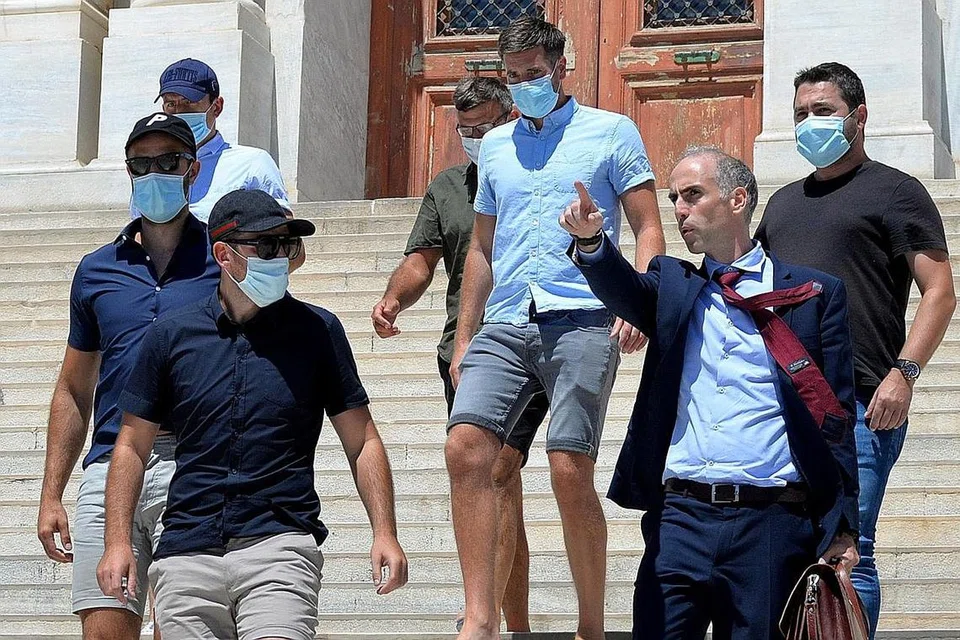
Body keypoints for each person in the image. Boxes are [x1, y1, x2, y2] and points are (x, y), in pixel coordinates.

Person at [564, 147, 860, 639]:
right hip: (681, 519)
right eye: (674, 198)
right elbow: (625, 292)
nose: (679, 210)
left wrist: (843, 525)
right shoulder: (674, 286)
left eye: (693, 195)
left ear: (738, 198)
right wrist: (593, 242)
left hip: (772, 524)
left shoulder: (813, 293)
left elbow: (835, 417)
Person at [96, 189, 408, 639]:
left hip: (279, 548)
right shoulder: (170, 335)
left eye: (288, 245)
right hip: (186, 553)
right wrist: (117, 542)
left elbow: (362, 441)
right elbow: (130, 444)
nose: (279, 257)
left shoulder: (318, 331)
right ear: (223, 254)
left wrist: (385, 531)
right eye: (265, 246)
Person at [444, 16, 664, 640]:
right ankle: (480, 620)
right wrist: (464, 336)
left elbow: (648, 225)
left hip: (586, 316)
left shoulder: (611, 131)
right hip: (508, 319)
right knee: (466, 447)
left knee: (569, 464)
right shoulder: (494, 146)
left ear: (561, 67)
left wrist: (638, 300)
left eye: (535, 75)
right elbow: (481, 249)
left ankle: (590, 625)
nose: (525, 88)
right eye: (514, 80)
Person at [755, 62, 956, 637]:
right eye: (800, 114)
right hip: (783, 405)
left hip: (862, 406)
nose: (809, 123)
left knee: (849, 551)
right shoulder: (783, 204)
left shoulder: (896, 191)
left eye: (822, 111)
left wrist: (904, 374)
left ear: (859, 116)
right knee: (791, 546)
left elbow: (939, 292)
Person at [372, 76, 547, 632]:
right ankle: (506, 618)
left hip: (531, 340)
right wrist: (393, 298)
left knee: (499, 466)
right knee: (495, 478)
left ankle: (486, 618)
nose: (476, 139)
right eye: (466, 131)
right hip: (465, 350)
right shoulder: (449, 186)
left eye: (487, 127)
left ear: (512, 116)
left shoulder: (541, 171)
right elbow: (423, 258)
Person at [36, 113, 219, 640]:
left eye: (169, 161)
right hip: (110, 466)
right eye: (144, 163)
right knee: (104, 631)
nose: (156, 172)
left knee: (184, 629)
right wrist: (52, 495)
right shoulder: (95, 270)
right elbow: (74, 387)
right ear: (129, 171)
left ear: (192, 169)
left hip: (195, 463)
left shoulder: (226, 260)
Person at [153, 58, 289, 222]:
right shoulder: (152, 168)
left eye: (188, 102)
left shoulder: (253, 163)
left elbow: (283, 228)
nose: (179, 112)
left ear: (216, 107)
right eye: (170, 104)